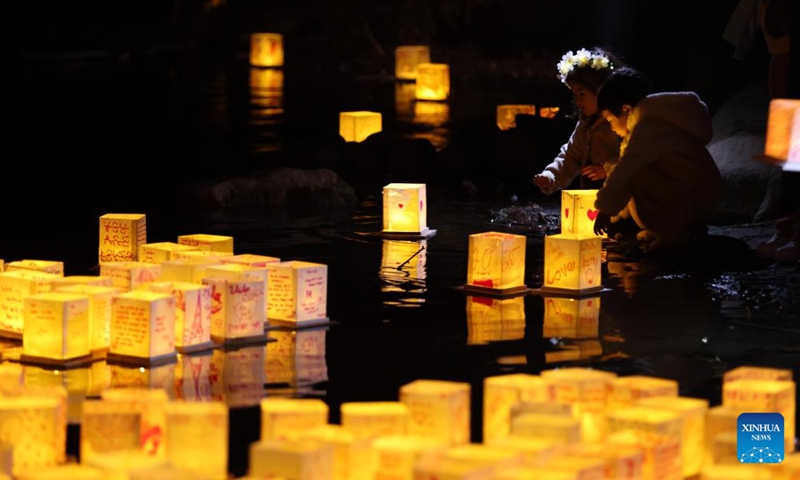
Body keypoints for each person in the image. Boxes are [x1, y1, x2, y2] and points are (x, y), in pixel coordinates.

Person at [592, 67, 723, 252]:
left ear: (626, 109)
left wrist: (605, 211)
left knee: (637, 176)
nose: (612, 128)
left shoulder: (649, 127)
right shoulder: (653, 122)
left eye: (610, 120)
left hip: (693, 194)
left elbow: (625, 171)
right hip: (692, 193)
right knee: (633, 173)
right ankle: (678, 229)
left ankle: (673, 235)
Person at [533, 47, 623, 195]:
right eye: (574, 94)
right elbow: (570, 157)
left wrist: (607, 168)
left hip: (622, 201)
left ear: (601, 90)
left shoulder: (620, 121)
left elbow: (633, 155)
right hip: (593, 200)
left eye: (582, 93)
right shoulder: (586, 124)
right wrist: (551, 176)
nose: (577, 100)